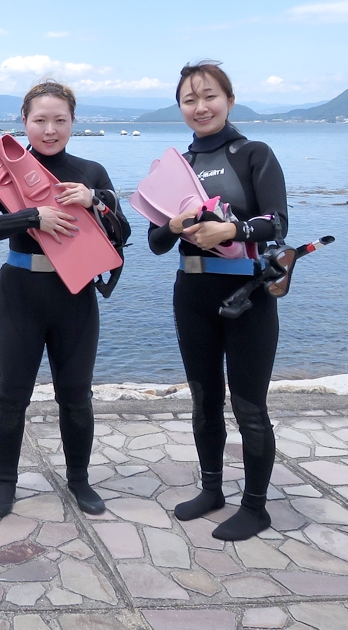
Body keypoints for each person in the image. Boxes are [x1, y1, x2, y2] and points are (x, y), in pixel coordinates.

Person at [0, 81, 130, 518]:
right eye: (40, 120)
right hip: (19, 293)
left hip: (74, 295)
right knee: (10, 396)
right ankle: (5, 483)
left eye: (60, 120)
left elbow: (124, 235)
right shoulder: (5, 171)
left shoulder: (90, 171)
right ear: (24, 122)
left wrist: (96, 202)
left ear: (73, 122)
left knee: (76, 395)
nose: (50, 129)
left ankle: (79, 480)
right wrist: (31, 216)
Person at [148, 61, 287, 541]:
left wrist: (231, 229)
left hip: (247, 295)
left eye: (209, 96)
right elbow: (155, 241)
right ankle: (212, 489)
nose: (200, 107)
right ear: (180, 107)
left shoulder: (253, 154)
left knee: (249, 407)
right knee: (205, 401)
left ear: (228, 99)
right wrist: (174, 225)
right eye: (190, 99)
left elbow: (277, 224)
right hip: (192, 294)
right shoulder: (176, 167)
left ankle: (256, 507)